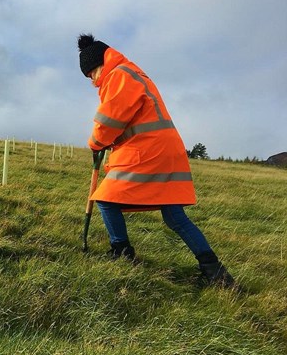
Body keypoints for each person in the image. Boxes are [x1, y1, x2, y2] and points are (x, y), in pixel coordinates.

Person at [78, 33, 234, 287]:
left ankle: (122, 253)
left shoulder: (119, 75)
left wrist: (95, 143)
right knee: (174, 216)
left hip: (148, 152)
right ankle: (216, 273)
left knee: (105, 199)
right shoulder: (132, 72)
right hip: (163, 151)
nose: (92, 81)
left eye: (91, 74)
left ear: (100, 64)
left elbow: (111, 119)